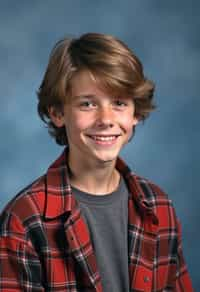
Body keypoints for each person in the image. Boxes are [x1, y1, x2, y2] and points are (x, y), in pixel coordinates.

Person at [0, 33, 193, 291]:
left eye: (119, 103)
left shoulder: (159, 207)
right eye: (88, 104)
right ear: (57, 113)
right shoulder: (24, 220)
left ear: (135, 113)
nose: (106, 119)